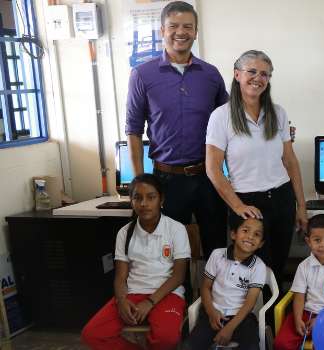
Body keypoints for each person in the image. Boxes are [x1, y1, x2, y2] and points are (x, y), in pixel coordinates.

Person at [126, 1, 228, 257]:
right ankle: (178, 297)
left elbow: (232, 121)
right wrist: (141, 182)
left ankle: (215, 297)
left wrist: (271, 129)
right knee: (170, 252)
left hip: (208, 178)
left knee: (217, 248)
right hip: (167, 180)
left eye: (187, 26)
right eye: (173, 26)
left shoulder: (211, 74)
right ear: (162, 30)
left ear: (195, 31)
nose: (180, 32)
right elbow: (134, 130)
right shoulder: (142, 74)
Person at [206, 49, 308, 282]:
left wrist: (301, 206)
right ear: (237, 75)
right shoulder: (221, 117)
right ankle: (250, 317)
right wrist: (238, 206)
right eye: (252, 71)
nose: (258, 78)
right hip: (247, 202)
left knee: (278, 267)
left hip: (282, 198)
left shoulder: (278, 113)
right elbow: (213, 169)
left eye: (265, 74)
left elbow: (290, 161)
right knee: (248, 271)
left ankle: (271, 317)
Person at [81, 174, 190, 350]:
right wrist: (122, 300)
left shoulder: (176, 229)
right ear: (131, 201)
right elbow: (120, 276)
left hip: (166, 294)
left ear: (161, 199)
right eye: (137, 198)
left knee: (167, 338)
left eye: (151, 197)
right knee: (92, 334)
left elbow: (178, 276)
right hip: (133, 293)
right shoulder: (124, 233)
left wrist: (150, 302)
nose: (144, 203)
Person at [273, 214, 324, 350]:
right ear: (308, 241)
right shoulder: (303, 266)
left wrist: (322, 320)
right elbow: (299, 297)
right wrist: (298, 319)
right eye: (317, 240)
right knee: (282, 343)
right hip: (306, 313)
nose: (323, 245)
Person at [185, 217, 267, 350]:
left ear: (261, 243)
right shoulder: (217, 255)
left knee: (251, 346)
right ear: (233, 234)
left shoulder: (259, 267)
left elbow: (249, 303)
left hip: (241, 318)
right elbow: (205, 288)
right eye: (245, 230)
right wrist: (211, 313)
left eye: (257, 234)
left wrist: (229, 328)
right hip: (213, 312)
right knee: (190, 346)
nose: (250, 237)